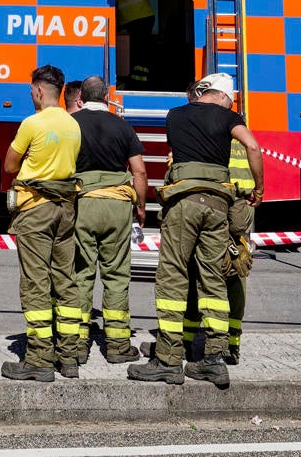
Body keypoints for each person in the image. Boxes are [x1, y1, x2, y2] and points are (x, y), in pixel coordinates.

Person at [131, 72, 261, 388]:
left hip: (183, 202)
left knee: (174, 275)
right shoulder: (231, 117)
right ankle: (213, 360)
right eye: (229, 99)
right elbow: (253, 147)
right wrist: (260, 186)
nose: (230, 104)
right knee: (213, 277)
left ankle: (168, 359)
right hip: (217, 204)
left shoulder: (175, 115)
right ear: (222, 95)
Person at [0, 64, 82, 382]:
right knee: (65, 281)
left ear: (37, 90)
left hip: (35, 209)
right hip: (66, 210)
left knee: (36, 283)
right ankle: (69, 357)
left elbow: (9, 164)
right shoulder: (73, 125)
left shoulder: (32, 123)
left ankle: (38, 359)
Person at [183, 77, 261, 366]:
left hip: (211, 202)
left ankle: (190, 340)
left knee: (196, 270)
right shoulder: (237, 126)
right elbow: (253, 156)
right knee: (235, 269)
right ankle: (231, 344)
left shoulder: (198, 129)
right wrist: (259, 190)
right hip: (239, 205)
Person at [71, 74, 146, 365]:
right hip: (117, 206)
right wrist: (140, 206)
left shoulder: (73, 124)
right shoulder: (123, 126)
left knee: (81, 274)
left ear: (81, 98)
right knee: (116, 276)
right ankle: (117, 346)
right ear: (106, 97)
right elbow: (139, 171)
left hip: (84, 204)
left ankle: (77, 345)